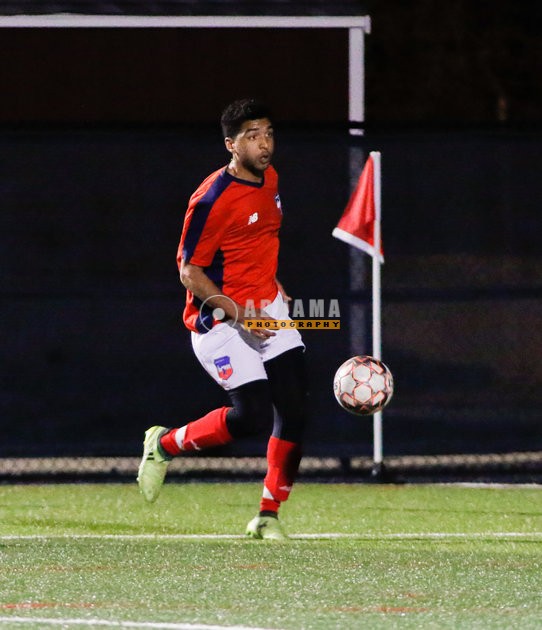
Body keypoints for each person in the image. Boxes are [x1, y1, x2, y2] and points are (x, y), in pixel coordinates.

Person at [137, 98, 308, 541]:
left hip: (267, 309)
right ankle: (164, 444)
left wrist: (272, 283)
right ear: (231, 145)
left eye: (268, 133)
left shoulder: (271, 178)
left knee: (295, 407)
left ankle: (268, 516)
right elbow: (189, 271)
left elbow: (258, 239)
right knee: (251, 417)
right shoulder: (212, 199)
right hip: (219, 320)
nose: (264, 144)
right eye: (252, 136)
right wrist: (240, 313)